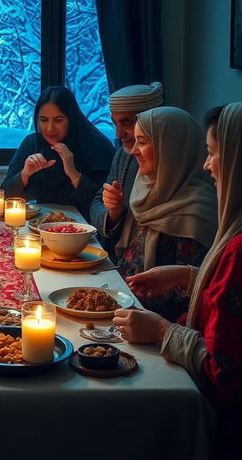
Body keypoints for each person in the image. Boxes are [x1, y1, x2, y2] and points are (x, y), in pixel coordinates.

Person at [113, 103, 242, 459]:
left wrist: (161, 332)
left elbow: (224, 374)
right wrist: (188, 277)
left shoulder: (235, 243)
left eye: (214, 153)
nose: (206, 163)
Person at [112, 106, 217, 320]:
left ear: (170, 148)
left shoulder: (199, 209)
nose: (133, 151)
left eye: (142, 142)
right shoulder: (145, 189)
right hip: (125, 306)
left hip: (159, 325)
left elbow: (196, 295)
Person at [1, 86, 114, 221]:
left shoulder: (97, 145)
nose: (50, 128)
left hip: (86, 228)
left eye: (58, 120)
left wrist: (74, 174)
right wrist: (25, 174)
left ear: (71, 119)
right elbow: (4, 197)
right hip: (41, 225)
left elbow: (105, 207)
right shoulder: (32, 143)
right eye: (43, 120)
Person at [90, 82, 164, 253]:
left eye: (126, 123)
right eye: (115, 124)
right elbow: (98, 202)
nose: (118, 134)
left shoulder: (176, 165)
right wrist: (113, 213)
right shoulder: (123, 156)